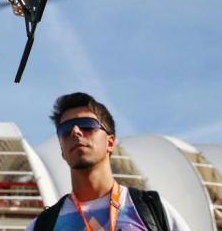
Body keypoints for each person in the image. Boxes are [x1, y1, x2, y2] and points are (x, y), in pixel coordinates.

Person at [26, 92, 190, 231]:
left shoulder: (152, 209)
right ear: (62, 151)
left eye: (86, 125)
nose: (75, 132)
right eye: (65, 130)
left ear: (110, 142)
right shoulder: (42, 225)